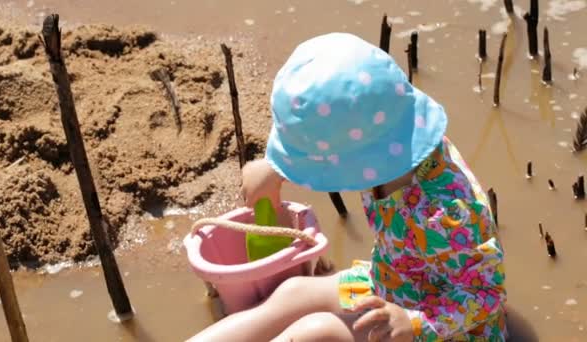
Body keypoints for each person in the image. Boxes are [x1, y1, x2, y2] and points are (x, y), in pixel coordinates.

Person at [187, 32, 506, 342]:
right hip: (393, 283)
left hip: (438, 325)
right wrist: (276, 170)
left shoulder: (446, 212)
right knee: (292, 293)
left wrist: (414, 324)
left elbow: (487, 293)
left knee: (318, 332)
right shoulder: (390, 144)